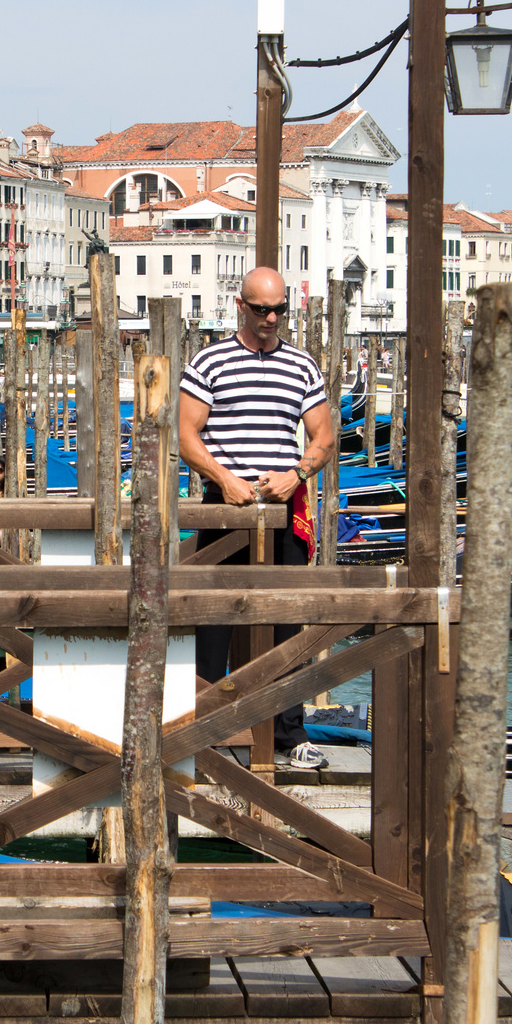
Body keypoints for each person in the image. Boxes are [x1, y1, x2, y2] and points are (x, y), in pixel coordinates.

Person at [179, 265, 335, 770]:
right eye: (262, 309)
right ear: (241, 306)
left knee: (286, 621)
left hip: (282, 509)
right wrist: (225, 479)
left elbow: (324, 438)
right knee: (212, 623)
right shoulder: (210, 362)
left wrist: (296, 473)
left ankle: (289, 735)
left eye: (280, 309)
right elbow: (185, 436)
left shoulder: (302, 366)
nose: (272, 318)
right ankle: (201, 732)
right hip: (224, 510)